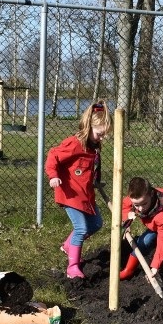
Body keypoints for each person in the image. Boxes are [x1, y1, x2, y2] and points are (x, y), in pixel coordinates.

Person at [45, 100, 112, 278]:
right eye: (100, 134)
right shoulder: (75, 143)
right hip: (70, 194)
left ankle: (68, 245)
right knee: (81, 229)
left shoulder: (94, 147)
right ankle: (73, 267)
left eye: (105, 135)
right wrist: (54, 176)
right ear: (89, 126)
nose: (102, 138)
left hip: (85, 194)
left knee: (96, 224)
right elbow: (53, 155)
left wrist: (96, 180)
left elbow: (92, 166)